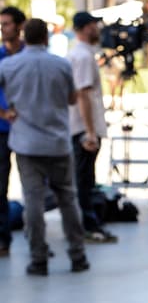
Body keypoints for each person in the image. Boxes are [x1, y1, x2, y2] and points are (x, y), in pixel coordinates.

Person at [0, 19, 89, 275]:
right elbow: (73, 98)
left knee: (33, 202)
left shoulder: (9, 65)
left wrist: (5, 113)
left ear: (24, 37)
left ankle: (38, 259)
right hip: (58, 142)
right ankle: (77, 255)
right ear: (46, 38)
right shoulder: (61, 64)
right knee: (68, 200)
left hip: (27, 144)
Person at [67, 11, 117, 244]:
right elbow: (83, 94)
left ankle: (86, 223)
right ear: (86, 27)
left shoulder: (81, 54)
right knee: (83, 180)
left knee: (84, 178)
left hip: (82, 127)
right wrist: (89, 131)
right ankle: (87, 226)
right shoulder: (83, 57)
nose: (98, 30)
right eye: (95, 25)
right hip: (83, 129)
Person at [0, 6, 25, 257]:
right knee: (1, 185)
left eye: (6, 24)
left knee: (34, 185)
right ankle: (3, 239)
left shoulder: (31, 54)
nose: (3, 29)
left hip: (29, 130)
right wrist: (3, 113)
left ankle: (36, 237)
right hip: (3, 130)